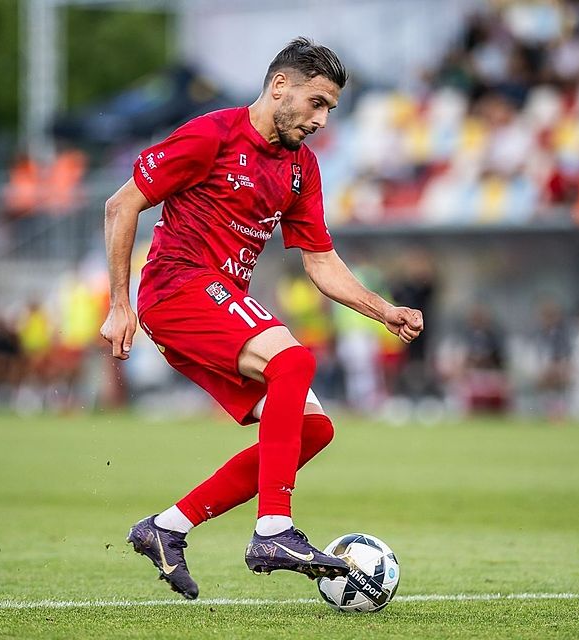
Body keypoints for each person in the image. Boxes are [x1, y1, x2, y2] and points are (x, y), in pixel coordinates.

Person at [100, 37, 424, 600]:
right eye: (316, 102)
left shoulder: (301, 169)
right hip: (177, 288)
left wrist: (383, 311)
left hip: (214, 299)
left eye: (330, 109)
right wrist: (118, 304)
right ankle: (273, 529)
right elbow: (120, 204)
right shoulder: (212, 134)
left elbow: (321, 262)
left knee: (313, 429)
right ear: (280, 86)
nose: (322, 119)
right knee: (293, 362)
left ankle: (166, 528)